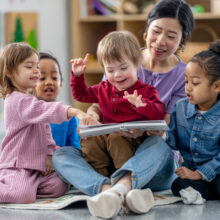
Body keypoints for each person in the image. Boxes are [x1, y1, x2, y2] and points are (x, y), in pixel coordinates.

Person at [52, 0, 194, 218]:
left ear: (182, 39)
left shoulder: (184, 76)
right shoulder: (121, 55)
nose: (160, 41)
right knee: (62, 155)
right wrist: (90, 118)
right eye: (156, 31)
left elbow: (167, 127)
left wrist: (146, 131)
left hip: (152, 162)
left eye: (171, 36)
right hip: (109, 153)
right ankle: (112, 193)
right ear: (147, 28)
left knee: (158, 144)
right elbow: (98, 101)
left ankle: (118, 188)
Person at [0, 42, 93, 204]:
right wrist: (75, 111)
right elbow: (45, 109)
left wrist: (50, 156)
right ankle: (15, 186)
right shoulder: (15, 100)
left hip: (36, 167)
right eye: (30, 67)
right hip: (18, 166)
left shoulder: (30, 101)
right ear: (9, 71)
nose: (36, 71)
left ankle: (26, 187)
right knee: (23, 196)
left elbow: (46, 134)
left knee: (58, 186)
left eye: (37, 66)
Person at [70, 31, 165, 178]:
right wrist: (77, 76)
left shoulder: (146, 90)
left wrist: (142, 105)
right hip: (106, 138)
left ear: (136, 64)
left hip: (132, 142)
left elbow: (160, 112)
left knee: (116, 138)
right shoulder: (104, 88)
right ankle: (99, 178)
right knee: (90, 138)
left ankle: (124, 178)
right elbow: (81, 95)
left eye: (123, 68)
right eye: (110, 70)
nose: (117, 75)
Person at [167, 40, 220, 201]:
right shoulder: (180, 107)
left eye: (195, 83)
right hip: (190, 172)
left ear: (217, 86)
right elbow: (172, 141)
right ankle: (206, 191)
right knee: (177, 185)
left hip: (216, 171)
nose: (188, 88)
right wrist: (160, 134)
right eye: (186, 81)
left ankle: (207, 190)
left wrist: (200, 174)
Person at [36, 52, 81, 150]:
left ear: (61, 83)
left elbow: (75, 149)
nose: (49, 82)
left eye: (54, 78)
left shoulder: (70, 118)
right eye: (42, 78)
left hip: (61, 161)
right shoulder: (28, 114)